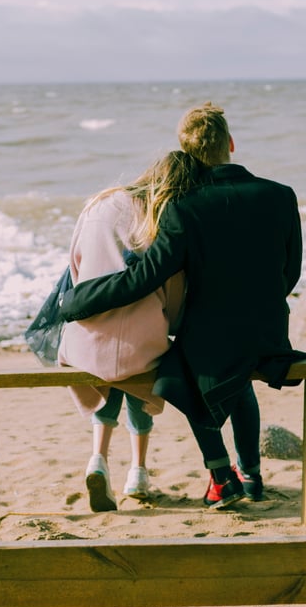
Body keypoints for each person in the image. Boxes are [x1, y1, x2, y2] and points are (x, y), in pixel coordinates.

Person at [59, 102, 306, 510]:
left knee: (178, 373)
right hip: (269, 332)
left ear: (185, 150)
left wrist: (77, 302)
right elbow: (290, 271)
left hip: (212, 339)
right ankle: (252, 474)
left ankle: (220, 476)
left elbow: (145, 277)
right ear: (230, 142)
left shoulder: (183, 207)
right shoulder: (280, 195)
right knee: (240, 374)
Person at [58, 150, 205, 512]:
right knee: (144, 364)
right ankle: (138, 470)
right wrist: (172, 322)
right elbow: (171, 292)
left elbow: (74, 267)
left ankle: (98, 458)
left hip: (86, 340)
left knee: (108, 371)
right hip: (139, 344)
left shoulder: (99, 204)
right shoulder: (160, 219)